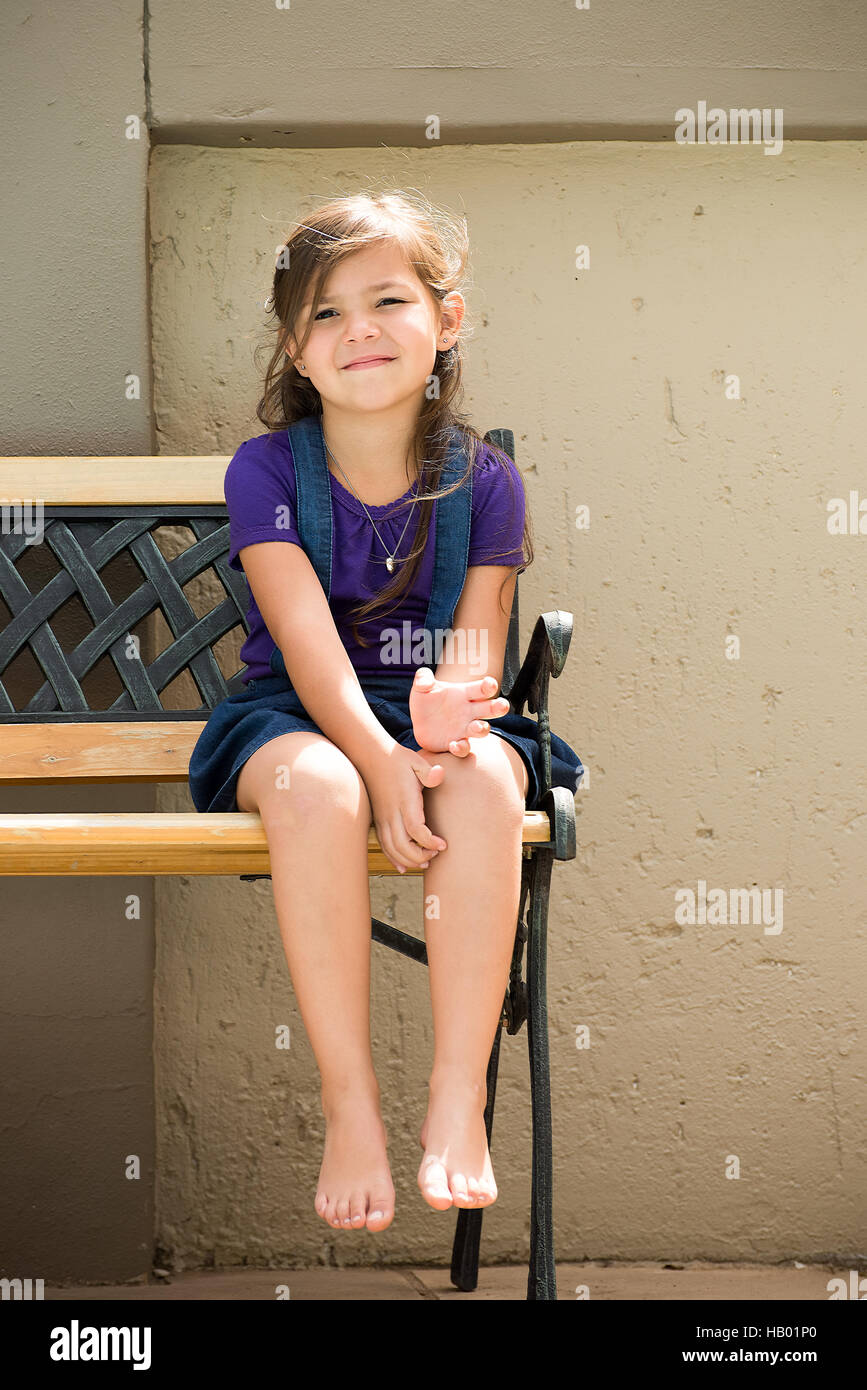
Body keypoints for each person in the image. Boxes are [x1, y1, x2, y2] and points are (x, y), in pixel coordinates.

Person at [189, 190, 584, 1236]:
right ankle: (350, 1101)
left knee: (492, 778)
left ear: (445, 320)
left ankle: (459, 1093)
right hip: (293, 718)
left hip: (422, 729)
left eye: (387, 299)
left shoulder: (483, 482)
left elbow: (475, 637)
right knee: (319, 788)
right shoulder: (267, 470)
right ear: (295, 347)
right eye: (324, 313)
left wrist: (448, 715)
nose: (356, 329)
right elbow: (306, 644)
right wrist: (373, 753)